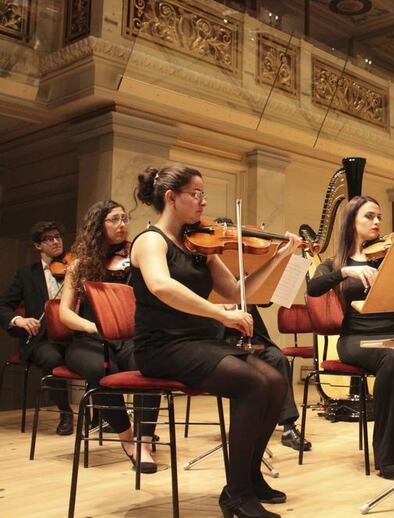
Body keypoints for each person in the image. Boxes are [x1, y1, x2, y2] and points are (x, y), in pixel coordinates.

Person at [131, 164, 301, 518]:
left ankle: (249, 479)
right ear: (171, 197)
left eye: (203, 194)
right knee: (254, 384)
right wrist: (221, 314)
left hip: (197, 342)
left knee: (274, 379)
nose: (203, 202)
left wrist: (278, 258)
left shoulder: (200, 246)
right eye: (196, 194)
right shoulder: (149, 241)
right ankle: (237, 495)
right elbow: (162, 286)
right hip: (161, 346)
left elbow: (238, 291)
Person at [306, 196, 394, 481]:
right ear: (352, 222)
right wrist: (345, 271)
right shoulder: (335, 263)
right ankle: (392, 453)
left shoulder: (388, 257)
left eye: (379, 218)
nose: (377, 222)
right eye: (369, 216)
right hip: (357, 337)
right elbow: (314, 288)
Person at [60, 200, 161, 472]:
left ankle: (145, 440)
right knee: (101, 368)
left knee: (149, 366)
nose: (122, 225)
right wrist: (93, 327)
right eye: (114, 219)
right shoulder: (80, 264)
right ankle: (127, 437)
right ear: (98, 226)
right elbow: (65, 314)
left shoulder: (136, 259)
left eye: (125, 219)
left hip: (130, 339)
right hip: (89, 339)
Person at [0, 221, 75, 435]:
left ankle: (98, 415)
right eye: (48, 239)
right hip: (42, 338)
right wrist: (19, 320)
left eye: (58, 237)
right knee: (52, 359)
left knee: (95, 354)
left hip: (73, 335)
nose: (55, 241)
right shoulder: (27, 274)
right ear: (38, 246)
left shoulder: (75, 268)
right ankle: (65, 412)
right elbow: (3, 305)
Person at [221, 303, 311, 452]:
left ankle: (288, 428)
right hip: (222, 339)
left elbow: (265, 301)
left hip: (252, 338)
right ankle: (243, 429)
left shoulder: (244, 280)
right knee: (239, 368)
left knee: (278, 359)